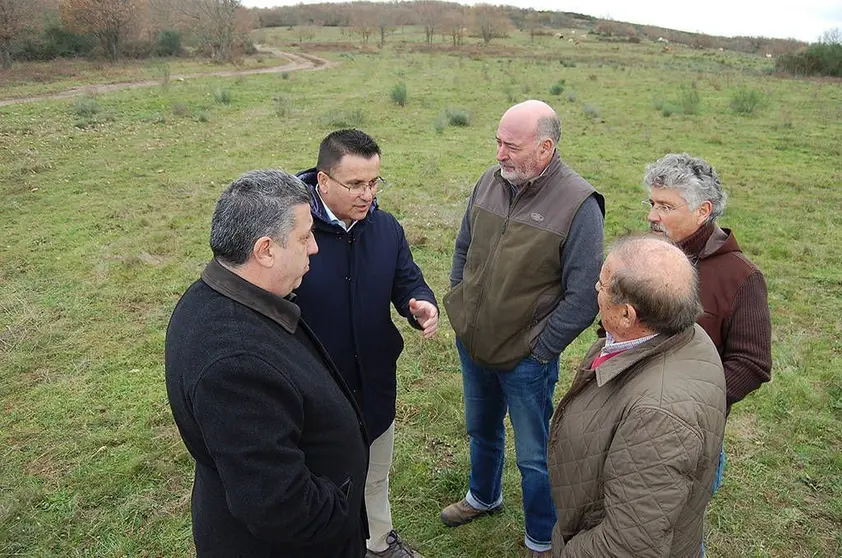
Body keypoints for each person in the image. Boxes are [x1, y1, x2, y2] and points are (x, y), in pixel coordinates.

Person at [165, 170, 369, 558]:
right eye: (305, 237)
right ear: (265, 250)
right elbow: (282, 508)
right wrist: (338, 510)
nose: (314, 249)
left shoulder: (219, 293)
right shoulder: (235, 365)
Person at [442, 100, 605, 557]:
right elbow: (463, 247)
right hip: (473, 341)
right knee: (481, 427)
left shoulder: (579, 205)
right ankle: (484, 496)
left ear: (545, 147)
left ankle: (540, 538)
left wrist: (540, 349)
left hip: (526, 360)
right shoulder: (489, 182)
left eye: (510, 146)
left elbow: (584, 295)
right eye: (497, 142)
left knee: (535, 456)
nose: (499, 154)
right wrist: (460, 305)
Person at [295, 129, 438, 558]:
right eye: (355, 184)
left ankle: (379, 542)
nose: (367, 194)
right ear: (323, 181)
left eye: (374, 182)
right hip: (315, 393)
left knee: (375, 475)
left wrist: (421, 304)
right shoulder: (293, 232)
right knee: (323, 487)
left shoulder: (385, 228)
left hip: (374, 383)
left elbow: (406, 279)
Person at [548, 235, 726, 557]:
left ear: (629, 315)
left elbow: (626, 546)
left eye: (601, 285)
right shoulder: (686, 334)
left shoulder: (659, 418)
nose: (595, 289)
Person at [643, 153, 772, 489]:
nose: (652, 216)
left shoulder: (741, 278)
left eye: (666, 207)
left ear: (703, 211)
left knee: (682, 533)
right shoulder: (644, 259)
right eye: (652, 203)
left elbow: (752, 363)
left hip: (691, 432)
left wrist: (692, 405)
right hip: (629, 416)